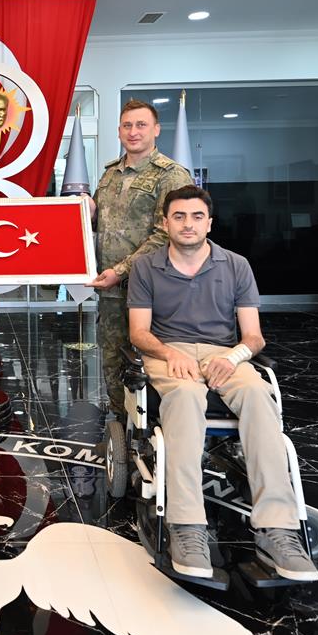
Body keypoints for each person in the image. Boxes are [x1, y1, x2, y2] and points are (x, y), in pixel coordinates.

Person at [128, 186, 318, 582]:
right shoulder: (146, 267)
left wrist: (231, 358)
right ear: (165, 223)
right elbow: (139, 333)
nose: (188, 224)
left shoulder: (236, 265)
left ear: (209, 223)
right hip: (170, 352)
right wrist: (169, 353)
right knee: (184, 396)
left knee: (258, 395)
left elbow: (254, 337)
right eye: (179, 216)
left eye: (197, 216)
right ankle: (187, 525)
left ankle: (278, 528)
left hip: (224, 353)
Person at [89, 99, 192, 421]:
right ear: (119, 131)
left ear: (156, 130)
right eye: (127, 126)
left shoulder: (172, 176)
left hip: (152, 288)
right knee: (112, 358)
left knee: (150, 360)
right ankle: (121, 424)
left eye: (141, 125)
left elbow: (167, 234)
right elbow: (99, 222)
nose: (133, 132)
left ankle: (154, 425)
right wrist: (84, 212)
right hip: (111, 289)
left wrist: (120, 271)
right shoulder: (110, 174)